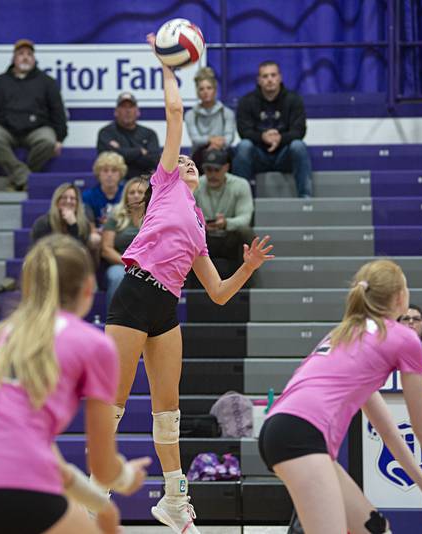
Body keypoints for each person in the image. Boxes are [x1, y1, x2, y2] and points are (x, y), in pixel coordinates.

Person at [101, 34, 274, 534]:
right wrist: (167, 65)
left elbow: (218, 293)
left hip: (164, 309)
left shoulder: (198, 225)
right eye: (185, 160)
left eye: (196, 163)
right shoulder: (166, 184)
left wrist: (247, 266)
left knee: (168, 412)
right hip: (134, 295)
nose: (190, 163)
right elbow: (175, 114)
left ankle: (175, 501)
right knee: (113, 406)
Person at [0, 235, 150, 534]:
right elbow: (101, 465)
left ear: (30, 287)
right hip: (16, 487)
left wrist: (102, 505)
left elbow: (51, 464)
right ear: (88, 288)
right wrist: (124, 478)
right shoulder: (93, 343)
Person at [259, 260, 422, 534]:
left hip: (284, 429)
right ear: (400, 297)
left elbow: (388, 431)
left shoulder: (344, 332)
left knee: (375, 530)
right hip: (301, 435)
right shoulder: (404, 338)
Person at [0, 39, 67, 191]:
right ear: (14, 58)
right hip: (6, 129)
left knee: (48, 141)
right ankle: (26, 179)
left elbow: (58, 112)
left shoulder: (47, 82)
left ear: (34, 59)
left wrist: (60, 138)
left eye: (29, 54)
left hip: (36, 129)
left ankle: (17, 180)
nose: (25, 57)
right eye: (21, 54)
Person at [233, 60, 312, 198]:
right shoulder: (247, 101)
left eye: (273, 75)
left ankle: (305, 199)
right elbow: (244, 131)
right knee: (243, 146)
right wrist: (262, 137)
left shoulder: (294, 100)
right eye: (265, 76)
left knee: (299, 146)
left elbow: (299, 131)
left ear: (280, 77)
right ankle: (241, 200)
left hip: (284, 155)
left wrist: (280, 138)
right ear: (259, 80)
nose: (270, 79)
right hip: (259, 156)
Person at [193, 148, 254, 265]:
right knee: (185, 233)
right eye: (208, 170)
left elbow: (245, 218)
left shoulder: (241, 185)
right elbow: (186, 217)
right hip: (204, 237)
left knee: (246, 232)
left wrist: (226, 223)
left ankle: (250, 281)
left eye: (217, 170)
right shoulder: (195, 185)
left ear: (226, 167)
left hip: (230, 238)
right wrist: (201, 224)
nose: (212, 174)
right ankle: (180, 282)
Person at [101, 176, 148, 308]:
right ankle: (114, 323)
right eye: (131, 192)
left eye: (140, 192)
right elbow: (106, 249)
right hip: (120, 264)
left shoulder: (156, 217)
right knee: (117, 277)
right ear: (126, 196)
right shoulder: (115, 217)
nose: (136, 195)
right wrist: (130, 264)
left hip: (149, 265)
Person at [97, 91, 162, 180]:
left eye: (131, 107)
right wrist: (139, 151)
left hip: (143, 183)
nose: (127, 110)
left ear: (137, 111)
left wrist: (120, 151)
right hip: (116, 184)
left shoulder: (149, 134)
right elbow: (106, 159)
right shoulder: (106, 132)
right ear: (116, 112)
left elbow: (153, 161)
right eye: (123, 107)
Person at [184, 66, 236, 171]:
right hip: (199, 154)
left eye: (209, 88)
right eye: (201, 89)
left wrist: (216, 144)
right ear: (197, 92)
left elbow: (229, 138)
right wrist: (210, 140)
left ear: (215, 90)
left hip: (222, 150)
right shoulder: (190, 114)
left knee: (230, 156)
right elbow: (195, 139)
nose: (205, 92)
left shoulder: (227, 112)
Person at [31, 183, 100, 259]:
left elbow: (79, 252)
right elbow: (38, 251)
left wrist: (73, 225)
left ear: (77, 203)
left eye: (73, 198)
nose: (68, 201)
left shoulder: (84, 225)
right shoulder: (43, 223)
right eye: (64, 198)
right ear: (57, 201)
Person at [83, 151, 127, 227]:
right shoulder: (88, 196)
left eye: (114, 170)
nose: (109, 174)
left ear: (121, 173)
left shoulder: (127, 193)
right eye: (105, 171)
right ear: (98, 173)